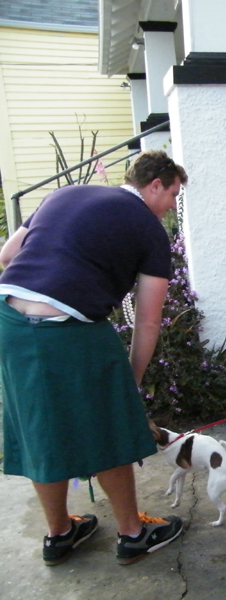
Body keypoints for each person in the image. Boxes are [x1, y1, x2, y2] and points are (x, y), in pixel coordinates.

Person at [0, 150, 188, 566]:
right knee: (108, 427)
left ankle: (60, 533)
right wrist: (130, 381)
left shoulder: (65, 194)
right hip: (69, 329)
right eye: (173, 194)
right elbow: (148, 321)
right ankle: (133, 533)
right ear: (154, 184)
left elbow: (8, 256)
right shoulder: (149, 229)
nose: (172, 206)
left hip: (8, 321)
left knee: (39, 429)